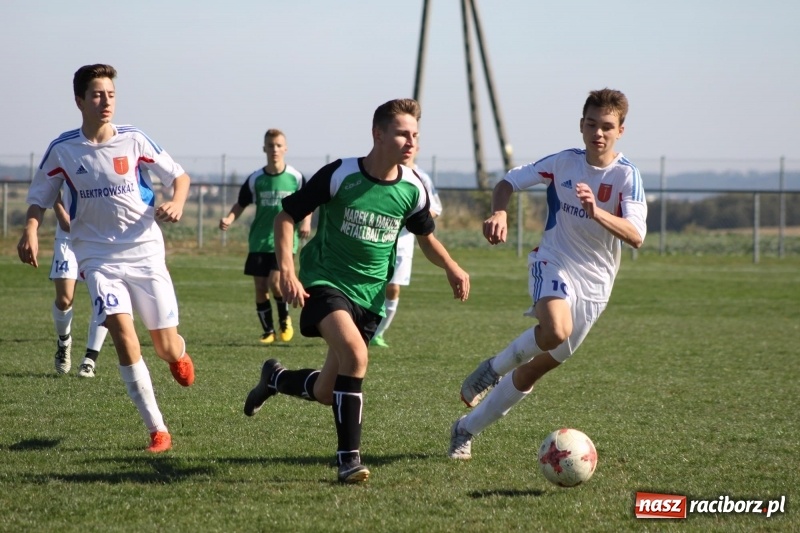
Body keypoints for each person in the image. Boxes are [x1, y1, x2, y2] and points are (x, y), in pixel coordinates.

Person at [243, 98, 470, 483]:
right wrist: (287, 268)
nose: (410, 141)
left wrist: (451, 266)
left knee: (326, 390)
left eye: (415, 134)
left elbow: (426, 237)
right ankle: (349, 459)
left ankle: (275, 379)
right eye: (402, 133)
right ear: (378, 134)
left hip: (370, 297)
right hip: (325, 282)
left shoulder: (413, 188)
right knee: (356, 354)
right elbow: (286, 215)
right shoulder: (340, 174)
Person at [448, 88, 647, 460]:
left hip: (596, 283)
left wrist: (597, 211)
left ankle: (465, 429)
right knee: (555, 329)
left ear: (621, 130)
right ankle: (492, 368)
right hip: (553, 260)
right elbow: (508, 181)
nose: (598, 133)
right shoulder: (562, 163)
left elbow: (636, 235)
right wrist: (500, 212)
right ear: (581, 125)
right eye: (591, 124)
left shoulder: (626, 176)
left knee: (533, 371)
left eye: (607, 126)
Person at [17, 64, 195, 453]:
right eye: (97, 95)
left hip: (145, 252)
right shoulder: (62, 148)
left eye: (111, 94)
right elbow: (39, 196)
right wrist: (31, 229)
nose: (106, 101)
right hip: (97, 258)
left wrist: (177, 203)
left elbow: (179, 177)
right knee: (122, 333)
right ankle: (157, 428)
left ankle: (176, 354)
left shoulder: (134, 140)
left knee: (165, 346)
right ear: (79, 100)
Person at [219, 129, 311, 344]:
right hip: (259, 240)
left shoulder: (296, 178)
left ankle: (285, 320)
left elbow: (309, 202)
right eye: (270, 146)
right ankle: (268, 330)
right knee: (261, 287)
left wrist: (306, 221)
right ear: (264, 149)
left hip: (286, 240)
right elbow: (241, 203)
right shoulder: (256, 178)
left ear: (285, 148)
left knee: (276, 282)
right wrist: (230, 218)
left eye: (279, 145)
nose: (274, 150)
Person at [370, 149, 442, 348]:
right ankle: (362, 327)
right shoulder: (381, 172)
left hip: (403, 243)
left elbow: (436, 209)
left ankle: (378, 333)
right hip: (377, 239)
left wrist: (415, 216)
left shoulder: (421, 178)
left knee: (392, 289)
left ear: (417, 150)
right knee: (372, 285)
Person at [50, 190, 109, 378]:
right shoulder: (62, 158)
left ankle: (89, 361)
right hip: (68, 236)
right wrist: (60, 213)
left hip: (102, 238)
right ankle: (64, 342)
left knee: (103, 299)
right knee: (64, 299)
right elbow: (49, 184)